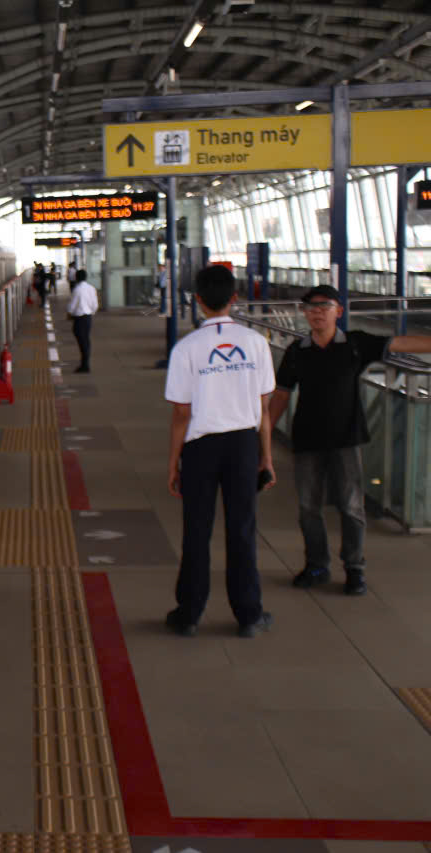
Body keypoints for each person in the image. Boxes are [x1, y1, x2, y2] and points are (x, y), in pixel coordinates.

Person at [268, 285, 431, 596]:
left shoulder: (357, 344)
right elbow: (281, 395)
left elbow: (402, 342)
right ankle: (316, 565)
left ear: (338, 311)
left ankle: (354, 568)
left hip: (346, 439)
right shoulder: (296, 351)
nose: (316, 312)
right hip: (307, 441)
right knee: (308, 508)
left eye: (324, 306)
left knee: (351, 506)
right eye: (311, 307)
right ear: (304, 313)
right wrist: (262, 438)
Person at [164, 264, 276, 639]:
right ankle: (249, 614)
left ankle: (190, 613)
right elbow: (263, 407)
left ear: (196, 300)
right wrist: (266, 457)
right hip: (244, 444)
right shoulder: (256, 342)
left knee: (197, 530)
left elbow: (181, 413)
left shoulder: (186, 348)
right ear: (234, 298)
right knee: (242, 529)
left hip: (200, 448)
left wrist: (173, 463)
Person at [66, 269, 98, 373]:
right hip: (88, 317)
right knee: (86, 340)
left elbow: (72, 305)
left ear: (76, 277)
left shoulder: (77, 289)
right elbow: (95, 305)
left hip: (79, 318)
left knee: (82, 341)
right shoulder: (91, 288)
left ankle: (85, 365)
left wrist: (69, 313)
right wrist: (91, 312)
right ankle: (85, 363)